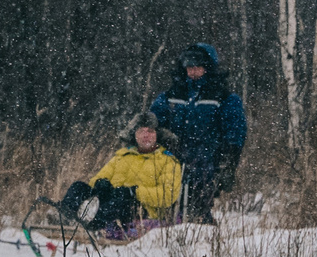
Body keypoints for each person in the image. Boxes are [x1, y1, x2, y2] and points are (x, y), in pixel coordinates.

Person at [151, 42, 247, 224]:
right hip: (172, 155)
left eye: (197, 67)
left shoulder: (223, 97)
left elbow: (235, 131)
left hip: (207, 158)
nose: (192, 71)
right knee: (166, 200)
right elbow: (153, 121)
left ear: (207, 68)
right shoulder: (171, 94)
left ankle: (200, 235)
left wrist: (229, 162)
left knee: (197, 205)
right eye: (189, 67)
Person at [47, 113, 183, 236]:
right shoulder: (122, 156)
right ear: (134, 135)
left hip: (141, 209)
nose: (146, 135)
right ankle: (64, 218)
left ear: (157, 134)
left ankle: (93, 227)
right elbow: (97, 178)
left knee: (120, 202)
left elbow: (168, 195)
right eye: (141, 131)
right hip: (109, 200)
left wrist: (134, 192)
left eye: (150, 131)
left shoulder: (168, 161)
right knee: (79, 187)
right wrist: (101, 183)